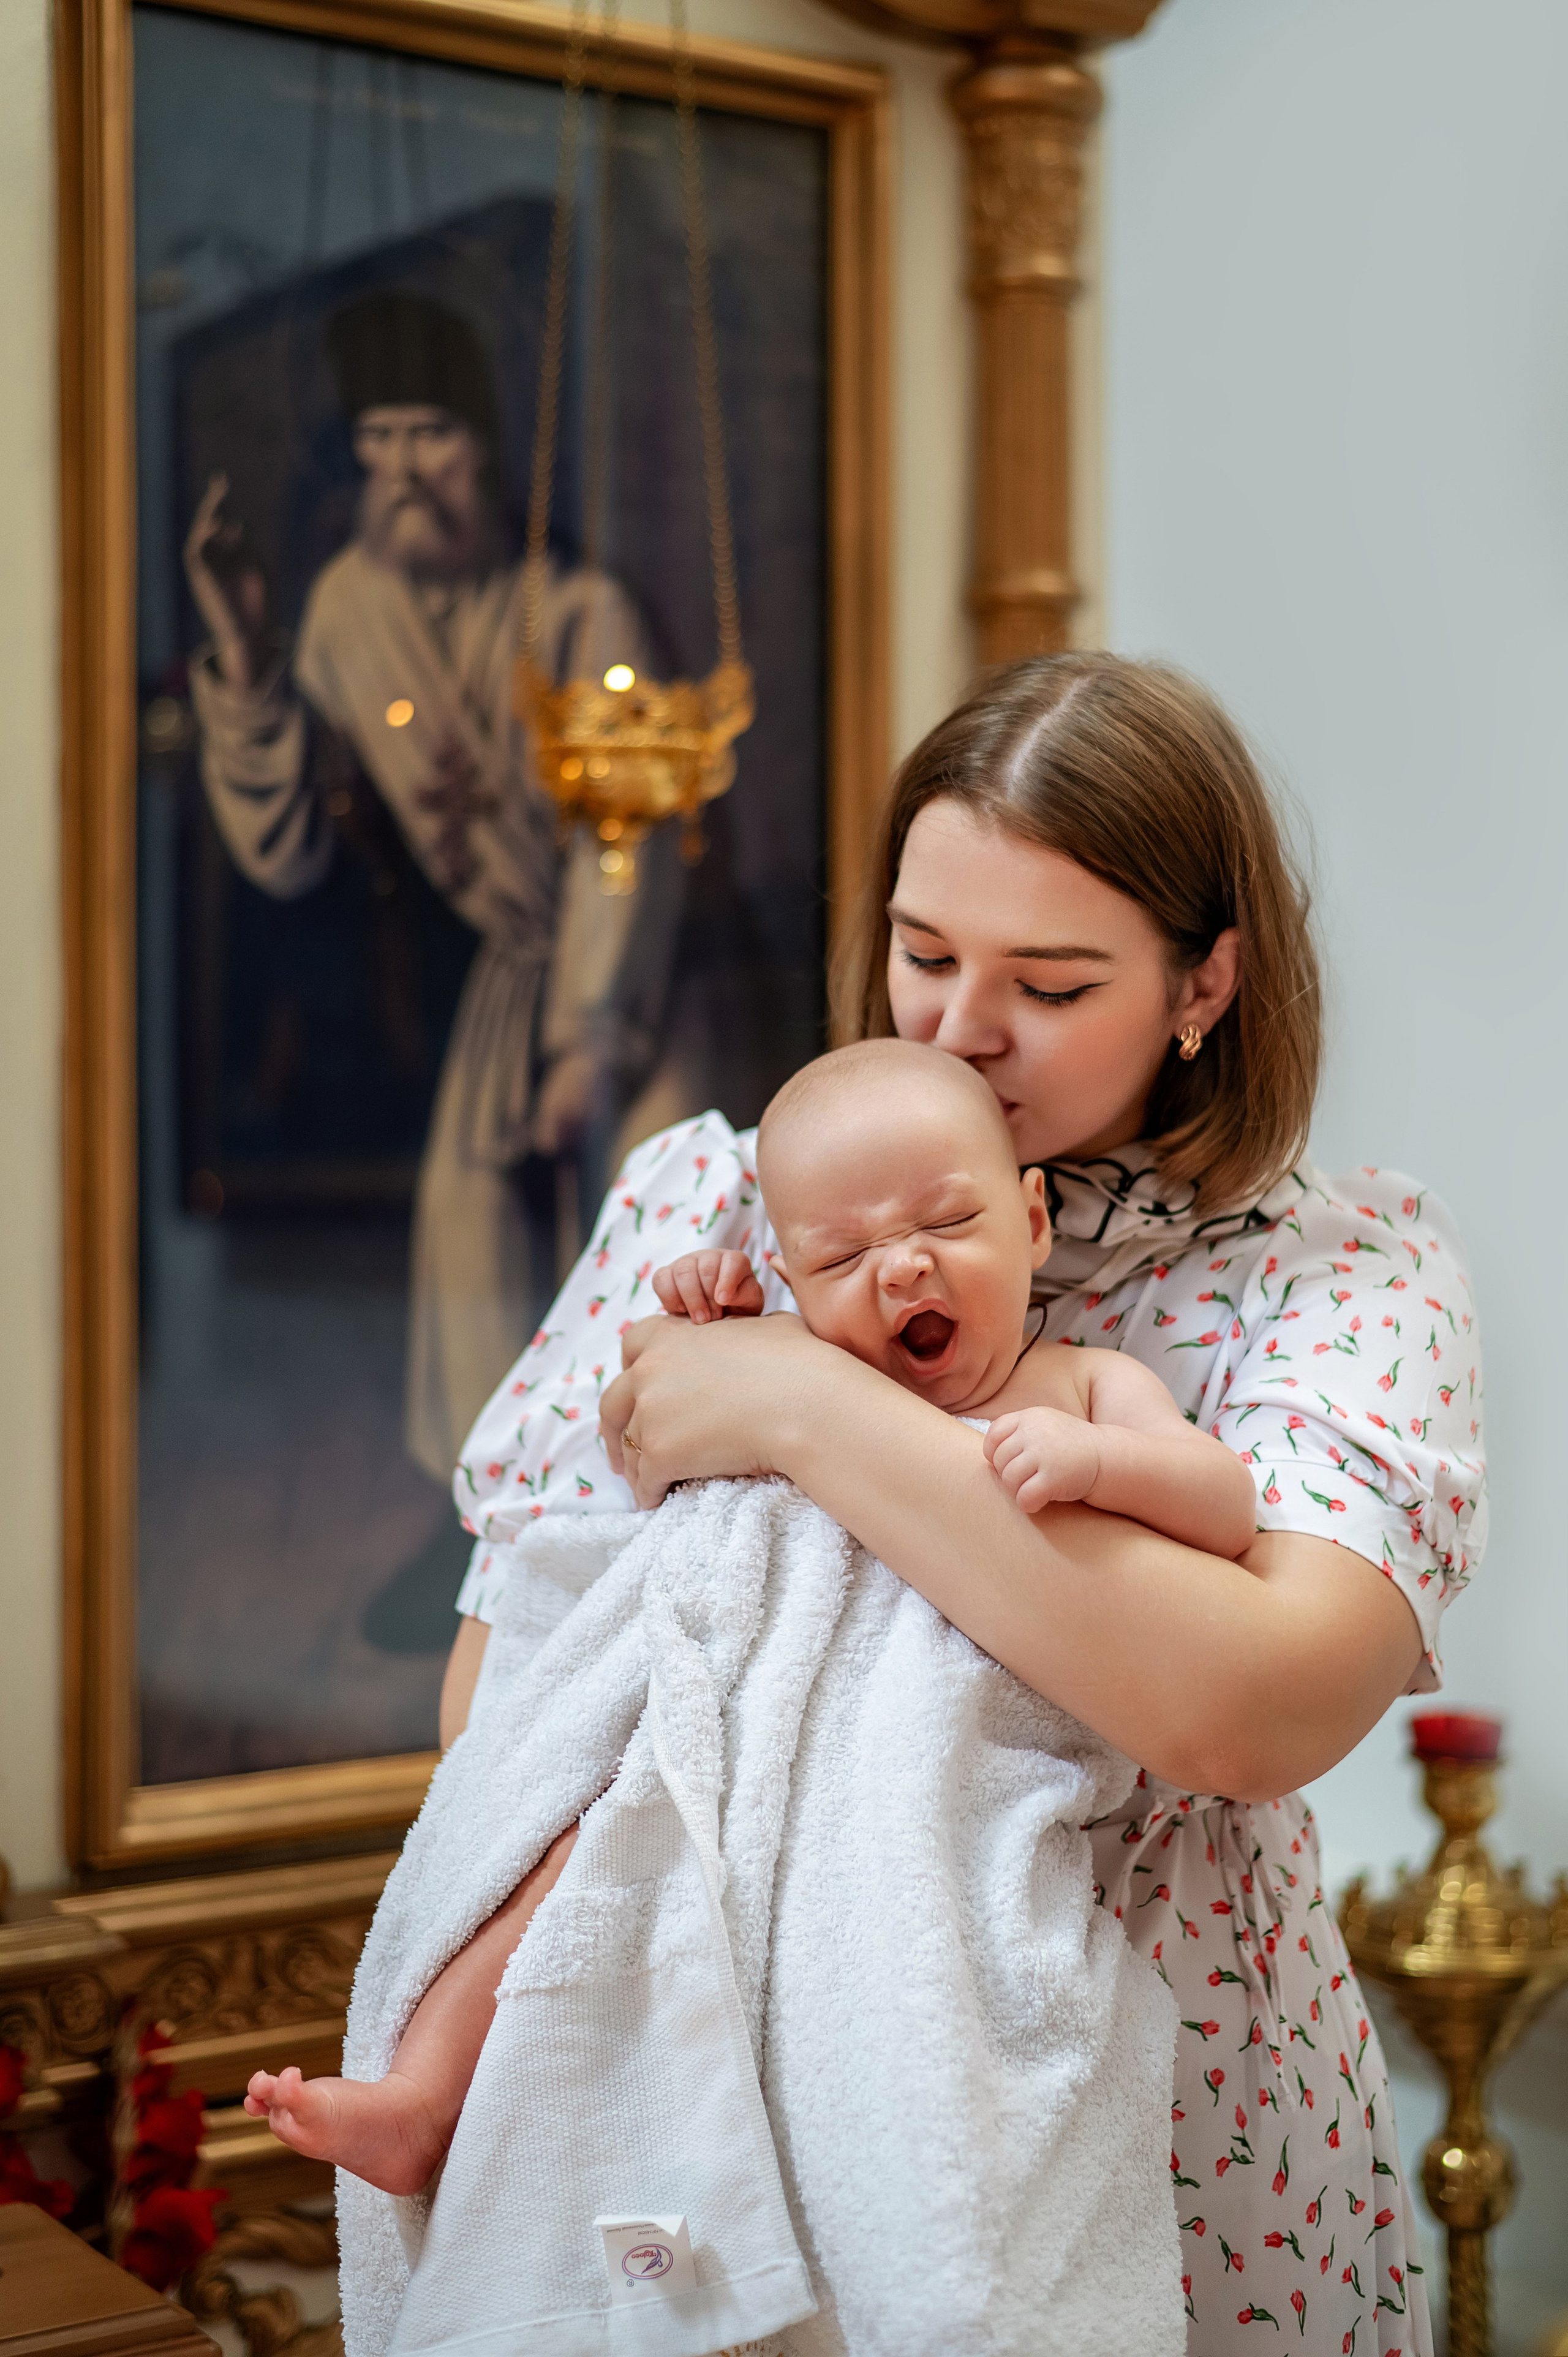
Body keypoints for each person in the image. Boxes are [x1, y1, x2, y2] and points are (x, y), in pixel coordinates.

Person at [442, 654, 1483, 2355]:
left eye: (1049, 983)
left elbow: (1251, 1704)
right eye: (924, 955)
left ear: (1204, 982)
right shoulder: (705, 1206)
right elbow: (515, 1694)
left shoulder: (1334, 1281)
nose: (956, 1029)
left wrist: (796, 1405)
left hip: (1189, 2114)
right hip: (727, 2070)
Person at [241, 1034, 1258, 2198]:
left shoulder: (1083, 1384)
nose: (903, 1269)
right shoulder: (793, 1356)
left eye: (947, 1221)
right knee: (568, 1858)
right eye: (843, 1256)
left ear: (1032, 1221)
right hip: (740, 1735)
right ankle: (424, 2097)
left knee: (932, 1972)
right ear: (789, 1275)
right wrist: (715, 1318)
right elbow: (657, 1471)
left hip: (932, 1777)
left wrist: (1100, 1463)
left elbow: (1224, 1504)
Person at [183, 287, 682, 1478]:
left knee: (657, 1249)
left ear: (489, 447)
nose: (403, 469)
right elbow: (292, 843)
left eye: (432, 434)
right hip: (496, 995)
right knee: (474, 1254)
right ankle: (497, 1521)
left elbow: (626, 839)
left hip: (628, 999)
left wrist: (587, 1045)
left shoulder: (583, 613)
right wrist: (245, 651)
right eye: (378, 438)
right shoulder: (348, 614)